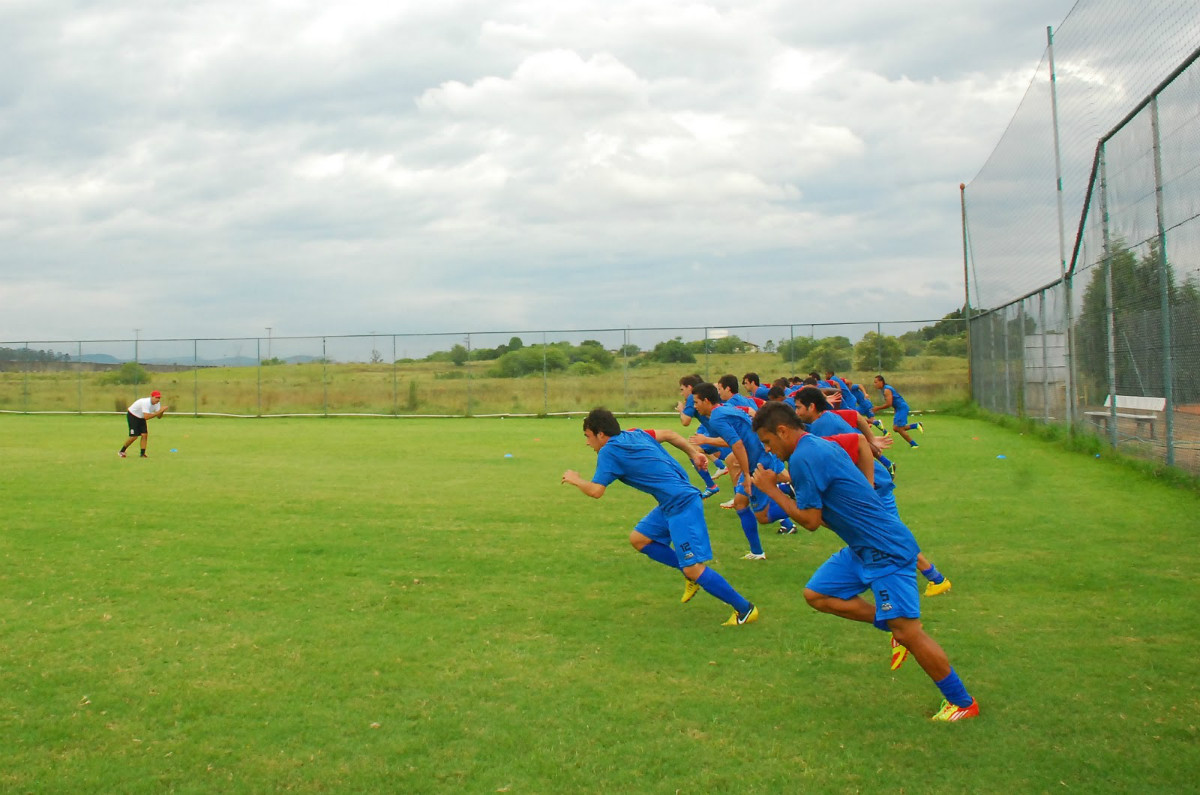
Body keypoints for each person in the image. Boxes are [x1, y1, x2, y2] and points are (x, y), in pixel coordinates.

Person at [750, 402, 977, 721]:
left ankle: (963, 703)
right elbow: (856, 447)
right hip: (862, 547)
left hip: (886, 549)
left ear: (783, 431)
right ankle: (889, 623)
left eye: (768, 442)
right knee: (817, 594)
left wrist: (772, 490)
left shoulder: (804, 457)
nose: (768, 450)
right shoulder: (818, 444)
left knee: (910, 633)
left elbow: (811, 521)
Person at [560, 408, 759, 626]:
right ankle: (688, 573)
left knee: (694, 566)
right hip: (670, 502)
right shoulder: (634, 433)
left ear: (600, 434)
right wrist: (693, 453)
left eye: (588, 436)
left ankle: (745, 609)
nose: (588, 443)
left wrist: (575, 479)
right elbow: (669, 434)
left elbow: (596, 491)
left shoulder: (609, 451)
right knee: (639, 539)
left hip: (682, 503)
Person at [793, 388, 951, 597]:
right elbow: (856, 420)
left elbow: (827, 459)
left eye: (798, 407)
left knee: (891, 536)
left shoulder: (822, 426)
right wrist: (871, 441)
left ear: (811, 407)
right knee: (890, 534)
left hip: (874, 488)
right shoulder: (828, 417)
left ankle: (935, 579)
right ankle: (932, 577)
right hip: (875, 484)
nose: (796, 412)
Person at [690, 383, 795, 557]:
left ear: (706, 400)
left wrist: (746, 475)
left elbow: (737, 444)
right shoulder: (724, 410)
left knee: (762, 516)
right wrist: (706, 440)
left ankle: (807, 503)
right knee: (740, 503)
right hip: (761, 455)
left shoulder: (716, 418)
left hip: (759, 462)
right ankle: (757, 552)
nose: (695, 406)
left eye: (696, 402)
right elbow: (735, 440)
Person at [675, 374, 722, 498]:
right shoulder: (704, 393)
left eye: (682, 389)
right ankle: (715, 478)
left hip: (722, 434)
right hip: (717, 434)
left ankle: (713, 484)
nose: (681, 393)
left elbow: (686, 421)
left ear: (689, 387)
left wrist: (681, 410)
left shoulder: (692, 397)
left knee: (694, 450)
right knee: (696, 449)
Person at [873, 375, 923, 447]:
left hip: (902, 408)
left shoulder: (887, 390)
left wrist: (878, 408)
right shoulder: (884, 389)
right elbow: (894, 400)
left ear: (881, 382)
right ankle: (916, 425)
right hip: (899, 408)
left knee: (898, 428)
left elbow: (889, 404)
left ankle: (914, 445)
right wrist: (895, 409)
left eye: (876, 382)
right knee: (896, 428)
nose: (874, 384)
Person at [119, 390, 167, 458]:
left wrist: (161, 411)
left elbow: (159, 417)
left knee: (144, 435)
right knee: (134, 436)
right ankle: (122, 451)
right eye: (156, 397)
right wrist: (158, 412)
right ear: (151, 397)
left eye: (159, 398)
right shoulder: (146, 402)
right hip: (133, 415)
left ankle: (142, 454)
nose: (158, 399)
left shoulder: (157, 404)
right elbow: (147, 417)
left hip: (141, 417)